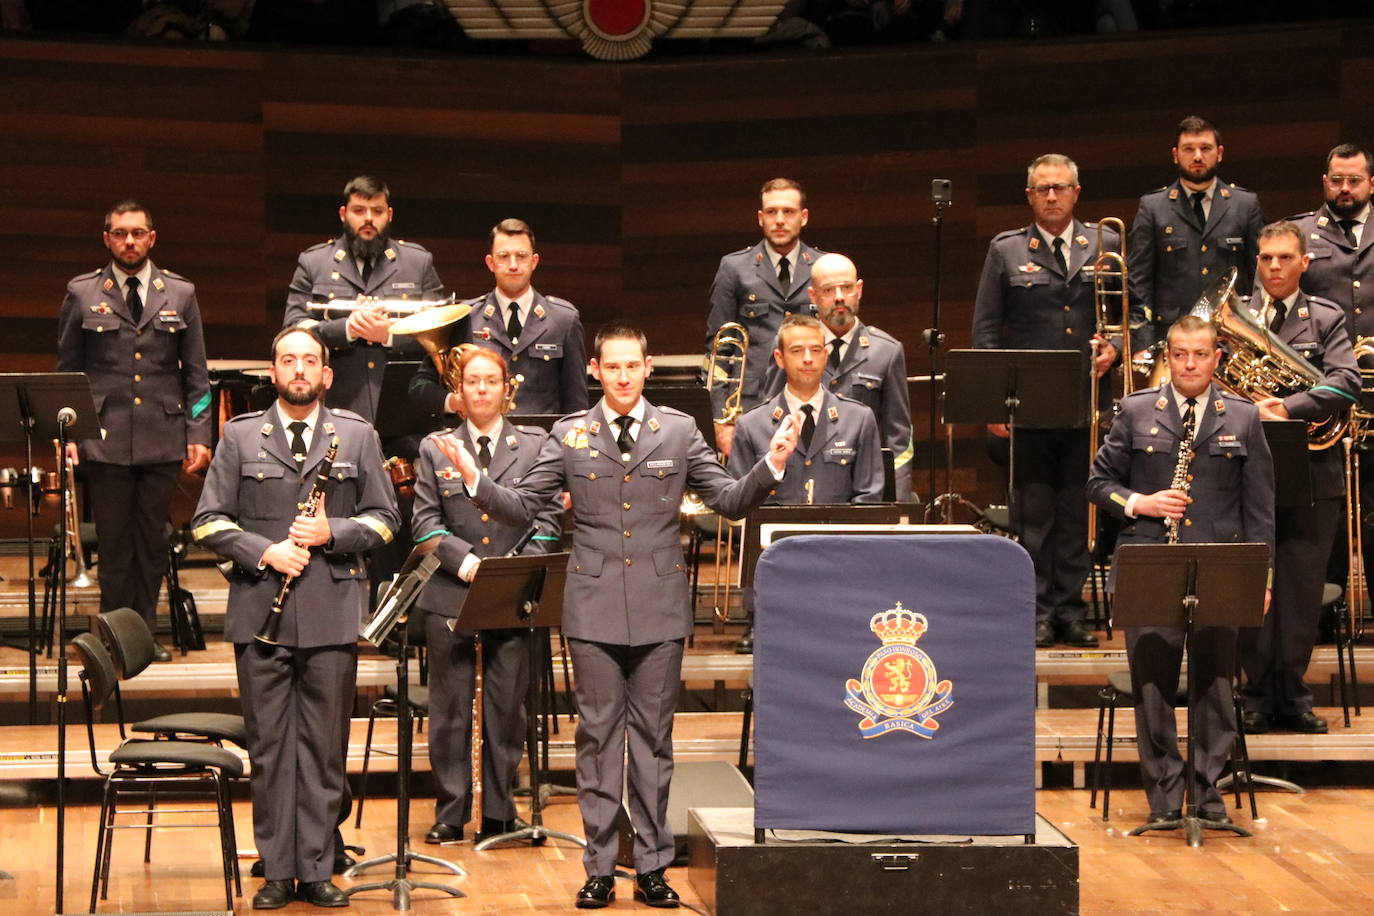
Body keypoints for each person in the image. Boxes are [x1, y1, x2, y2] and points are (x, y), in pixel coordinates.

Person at [429, 322, 798, 909]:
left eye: (634, 366)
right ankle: (599, 865)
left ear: (647, 367)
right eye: (613, 367)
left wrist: (770, 467)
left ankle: (651, 865)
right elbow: (524, 506)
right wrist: (476, 482)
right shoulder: (570, 433)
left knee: (653, 741)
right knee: (598, 739)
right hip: (592, 607)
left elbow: (728, 500)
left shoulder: (677, 430)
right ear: (595, 371)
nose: (623, 376)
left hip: (659, 607)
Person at [192, 327, 399, 909]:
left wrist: (335, 531)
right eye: (289, 360)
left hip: (332, 613)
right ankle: (278, 869)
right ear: (274, 371)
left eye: (311, 360)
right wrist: (265, 551)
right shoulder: (237, 437)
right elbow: (207, 522)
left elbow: (386, 519)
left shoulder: (357, 437)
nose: (300, 369)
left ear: (327, 375)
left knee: (324, 749)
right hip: (261, 611)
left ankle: (315, 869)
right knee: (270, 747)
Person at [1087, 315, 1274, 829]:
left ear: (1217, 358)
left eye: (1200, 354)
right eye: (1180, 354)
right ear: (1167, 357)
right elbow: (1099, 483)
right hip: (1150, 561)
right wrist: (1141, 503)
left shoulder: (1243, 417)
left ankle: (1208, 792)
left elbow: (1260, 508)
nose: (1190, 363)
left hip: (1221, 564)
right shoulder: (1134, 409)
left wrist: (1263, 576)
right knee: (1153, 682)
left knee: (1215, 680)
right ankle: (1165, 795)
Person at [410, 346, 564, 845]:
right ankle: (450, 812)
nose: (481, 390)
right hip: (451, 590)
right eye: (472, 381)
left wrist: (512, 570)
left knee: (508, 707)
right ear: (459, 389)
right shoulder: (435, 446)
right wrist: (464, 561)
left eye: (490, 381)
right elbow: (424, 526)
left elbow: (547, 522)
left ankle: (500, 811)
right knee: (449, 708)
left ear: (506, 388)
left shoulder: (536, 444)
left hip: (512, 592)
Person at [972, 153, 1118, 649]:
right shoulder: (1007, 250)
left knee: (1078, 510)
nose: (1051, 196)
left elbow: (1132, 315)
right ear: (1029, 195)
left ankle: (1070, 611)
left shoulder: (1107, 243)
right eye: (1042, 189)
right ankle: (1034, 610)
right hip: (1028, 405)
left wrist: (1116, 348)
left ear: (1077, 192)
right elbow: (988, 329)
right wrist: (993, 402)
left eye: (1060, 187)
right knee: (1033, 514)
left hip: (1087, 401)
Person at [57, 199, 211, 660]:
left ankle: (142, 637)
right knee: (114, 544)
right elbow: (68, 373)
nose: (129, 241)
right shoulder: (83, 292)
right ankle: (112, 638)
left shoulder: (180, 294)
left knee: (152, 542)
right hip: (102, 438)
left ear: (152, 237)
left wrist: (199, 434)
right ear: (107, 239)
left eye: (138, 233)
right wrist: (67, 438)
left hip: (162, 439)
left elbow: (196, 374)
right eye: (120, 233)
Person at [1237, 221, 1360, 735]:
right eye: (1265, 258)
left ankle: (1294, 694)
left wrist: (1285, 406)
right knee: (1253, 587)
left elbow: (1346, 382)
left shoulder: (1325, 318)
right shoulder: (1237, 316)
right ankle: (1256, 693)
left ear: (1304, 262)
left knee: (1302, 591)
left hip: (1313, 476)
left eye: (1284, 258)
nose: (1273, 268)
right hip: (1247, 476)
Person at [283, 175, 447, 424]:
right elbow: (292, 330)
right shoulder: (314, 263)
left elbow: (443, 334)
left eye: (377, 211)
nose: (368, 218)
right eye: (359, 210)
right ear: (343, 214)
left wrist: (388, 334)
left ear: (389, 215)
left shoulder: (417, 262)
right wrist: (348, 328)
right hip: (337, 406)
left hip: (407, 407)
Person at [763, 252, 913, 498]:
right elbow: (770, 414)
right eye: (829, 290)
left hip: (862, 485)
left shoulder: (886, 351)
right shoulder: (791, 345)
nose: (840, 297)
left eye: (847, 287)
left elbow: (899, 436)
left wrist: (899, 498)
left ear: (860, 289)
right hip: (797, 482)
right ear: (813, 295)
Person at [410, 218, 588, 419]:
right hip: (478, 443)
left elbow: (577, 405)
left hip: (543, 445)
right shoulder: (463, 317)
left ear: (534, 261)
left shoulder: (563, 319)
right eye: (504, 256)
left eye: (521, 256)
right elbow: (419, 387)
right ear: (490, 263)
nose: (513, 265)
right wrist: (454, 402)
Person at [1127, 116, 1265, 353]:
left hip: (1231, 340)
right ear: (1175, 155)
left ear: (1219, 153)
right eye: (1189, 149)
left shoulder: (1245, 204)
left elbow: (1259, 275)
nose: (1198, 156)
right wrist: (1142, 343)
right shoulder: (1153, 207)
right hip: (1170, 339)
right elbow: (1139, 284)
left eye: (1205, 148)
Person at [706, 177, 822, 457]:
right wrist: (722, 421)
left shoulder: (822, 266)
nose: (779, 220)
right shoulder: (734, 268)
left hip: (812, 399)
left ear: (803, 217)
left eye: (788, 211)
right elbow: (719, 352)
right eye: (771, 212)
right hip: (751, 405)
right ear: (761, 218)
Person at [737, 314, 883, 504]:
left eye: (815, 350)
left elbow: (869, 501)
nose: (808, 359)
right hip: (775, 532)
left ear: (825, 355)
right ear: (780, 358)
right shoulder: (751, 426)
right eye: (797, 351)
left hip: (837, 533)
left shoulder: (859, 420)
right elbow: (738, 505)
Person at [1284, 143, 1374, 340]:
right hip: (1317, 360)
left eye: (1354, 181)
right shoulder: (1296, 234)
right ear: (1325, 182)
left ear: (1372, 184)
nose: (1344, 188)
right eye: (1336, 180)